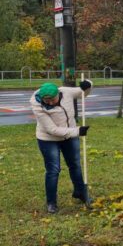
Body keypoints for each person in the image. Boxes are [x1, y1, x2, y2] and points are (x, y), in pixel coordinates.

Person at [30, 80, 93, 214]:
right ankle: (51, 202)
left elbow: (82, 93)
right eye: (47, 100)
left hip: (69, 136)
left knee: (75, 164)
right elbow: (52, 130)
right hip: (48, 139)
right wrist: (77, 131)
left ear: (58, 94)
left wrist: (88, 86)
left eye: (52, 99)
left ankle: (80, 192)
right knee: (53, 169)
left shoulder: (66, 92)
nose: (50, 103)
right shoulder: (37, 105)